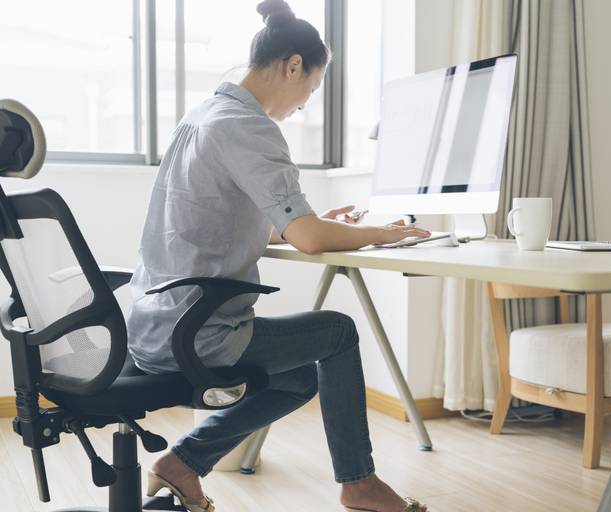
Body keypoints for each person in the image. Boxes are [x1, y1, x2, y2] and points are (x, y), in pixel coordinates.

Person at [127, 1, 430, 511]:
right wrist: (383, 232)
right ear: (294, 65)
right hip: (198, 335)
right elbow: (311, 239)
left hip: (154, 324)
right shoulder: (249, 126)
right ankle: (359, 484)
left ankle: (181, 463)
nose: (305, 104)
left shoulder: (201, 116)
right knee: (338, 331)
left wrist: (307, 226)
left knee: (300, 378)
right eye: (311, 89)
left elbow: (215, 225)